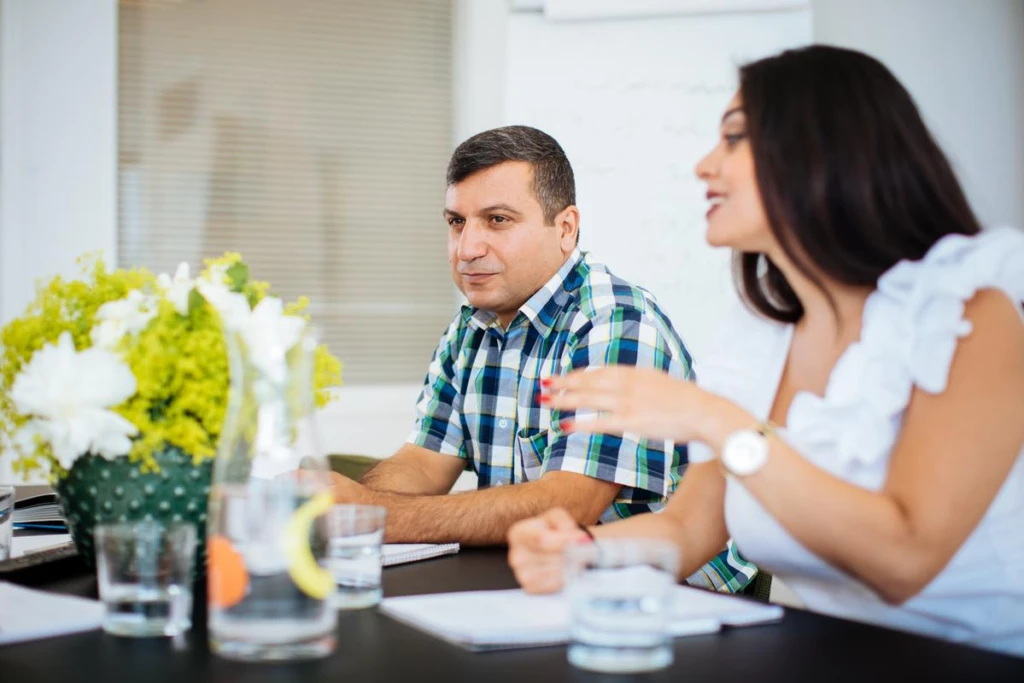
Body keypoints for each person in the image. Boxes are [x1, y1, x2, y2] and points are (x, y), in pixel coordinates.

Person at [506, 46, 1024, 656]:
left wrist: (719, 423)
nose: (704, 166)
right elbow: (690, 527)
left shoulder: (972, 311)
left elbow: (906, 557)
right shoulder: (760, 334)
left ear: (824, 147)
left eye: (734, 139)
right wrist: (587, 551)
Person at [330, 125, 754, 592]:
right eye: (456, 222)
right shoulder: (470, 326)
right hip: (539, 580)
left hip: (662, 595)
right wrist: (342, 505)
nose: (467, 249)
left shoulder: (615, 322)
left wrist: (376, 515)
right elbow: (425, 463)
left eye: (497, 220)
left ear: (565, 229)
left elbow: (568, 505)